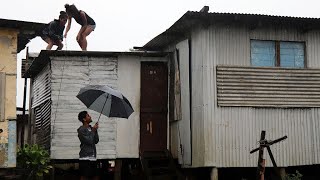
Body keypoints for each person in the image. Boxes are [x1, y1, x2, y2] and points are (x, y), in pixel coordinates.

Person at [77, 111, 99, 180]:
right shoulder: (81, 130)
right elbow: (88, 141)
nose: (90, 117)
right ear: (84, 119)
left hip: (93, 157)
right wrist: (93, 131)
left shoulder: (91, 128)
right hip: (85, 158)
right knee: (84, 177)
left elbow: (96, 141)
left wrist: (95, 130)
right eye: (88, 116)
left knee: (95, 176)